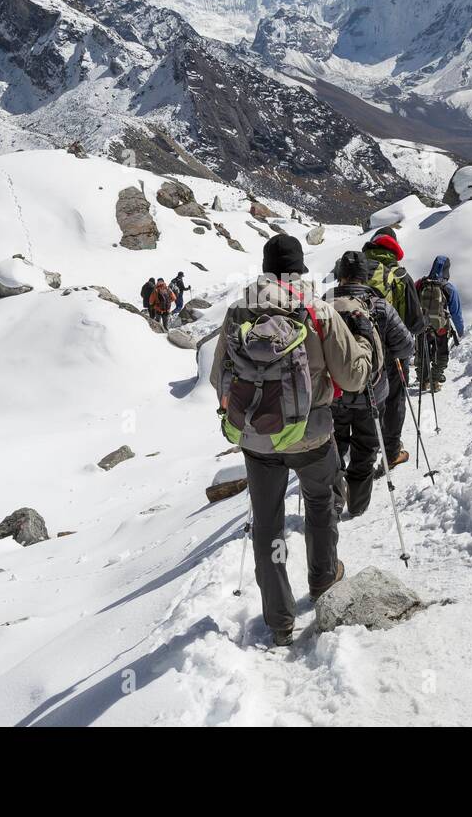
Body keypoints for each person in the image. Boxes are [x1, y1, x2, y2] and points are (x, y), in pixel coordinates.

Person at [211, 233, 373, 647]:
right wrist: (366, 348)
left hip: (257, 440)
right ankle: (322, 581)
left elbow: (218, 378)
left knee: (268, 524)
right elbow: (353, 377)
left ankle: (280, 619)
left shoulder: (239, 310)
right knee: (321, 505)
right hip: (312, 434)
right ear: (300, 268)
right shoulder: (316, 310)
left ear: (265, 267)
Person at [324, 251, 415, 519]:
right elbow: (406, 345)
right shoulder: (379, 305)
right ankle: (358, 504)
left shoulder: (324, 303)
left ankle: (333, 501)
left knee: (333, 446)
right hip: (371, 393)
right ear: (365, 276)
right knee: (365, 449)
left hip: (333, 393)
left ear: (340, 275)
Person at [362, 226, 425, 467]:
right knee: (394, 400)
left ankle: (365, 448)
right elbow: (415, 322)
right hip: (392, 353)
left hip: (358, 351)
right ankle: (391, 452)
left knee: (363, 399)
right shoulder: (400, 276)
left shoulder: (357, 271)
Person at [415, 255, 464, 392]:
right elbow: (456, 313)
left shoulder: (420, 283)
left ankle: (423, 381)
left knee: (421, 353)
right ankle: (435, 380)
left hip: (421, 325)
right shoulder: (448, 287)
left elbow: (412, 302)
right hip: (441, 327)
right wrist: (460, 331)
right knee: (441, 352)